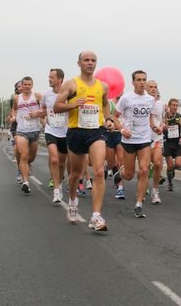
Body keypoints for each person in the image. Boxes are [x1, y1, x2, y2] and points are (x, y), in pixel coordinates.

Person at [54, 50, 113, 231]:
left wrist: (108, 119)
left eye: (93, 60)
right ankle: (72, 201)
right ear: (79, 63)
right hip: (76, 131)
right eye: (86, 60)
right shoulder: (71, 84)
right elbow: (56, 106)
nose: (90, 63)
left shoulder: (103, 86)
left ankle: (96, 216)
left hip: (96, 131)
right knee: (75, 174)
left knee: (98, 171)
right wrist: (73, 104)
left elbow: (104, 104)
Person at [113, 70, 155, 218]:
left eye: (144, 79)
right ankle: (120, 173)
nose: (142, 82)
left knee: (144, 170)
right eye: (139, 80)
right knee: (129, 175)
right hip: (129, 139)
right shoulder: (126, 98)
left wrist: (154, 126)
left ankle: (138, 204)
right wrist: (121, 129)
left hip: (144, 139)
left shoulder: (150, 99)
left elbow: (150, 116)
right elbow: (115, 116)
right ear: (133, 82)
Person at [12, 76, 44, 194]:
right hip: (21, 130)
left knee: (32, 157)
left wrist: (37, 114)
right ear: (22, 86)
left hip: (35, 130)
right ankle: (26, 182)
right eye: (24, 84)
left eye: (28, 84)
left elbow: (45, 110)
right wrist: (14, 117)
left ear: (32, 85)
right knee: (24, 155)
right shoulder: (16, 98)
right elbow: (14, 109)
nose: (26, 87)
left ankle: (26, 166)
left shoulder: (38, 96)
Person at [41, 68, 68, 203]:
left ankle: (59, 181)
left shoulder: (68, 94)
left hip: (65, 132)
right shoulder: (46, 95)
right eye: (49, 77)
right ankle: (56, 190)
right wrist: (43, 119)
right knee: (54, 159)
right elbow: (43, 109)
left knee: (62, 163)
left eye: (52, 77)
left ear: (60, 79)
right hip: (50, 130)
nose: (49, 79)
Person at [146, 80, 166, 204]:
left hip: (158, 138)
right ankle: (142, 187)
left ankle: (155, 190)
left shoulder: (161, 104)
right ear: (146, 89)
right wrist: (153, 127)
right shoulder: (143, 102)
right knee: (145, 167)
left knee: (158, 164)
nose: (153, 89)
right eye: (151, 87)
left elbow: (164, 120)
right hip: (145, 138)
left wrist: (162, 126)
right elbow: (149, 118)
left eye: (155, 87)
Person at [163, 98, 181, 191]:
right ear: (169, 106)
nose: (175, 107)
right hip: (167, 143)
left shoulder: (178, 117)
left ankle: (171, 170)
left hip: (176, 144)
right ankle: (170, 184)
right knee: (169, 165)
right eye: (173, 105)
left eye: (176, 105)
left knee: (178, 164)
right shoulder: (165, 116)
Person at [105, 94, 125, 199]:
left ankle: (120, 188)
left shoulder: (125, 102)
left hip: (120, 134)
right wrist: (108, 125)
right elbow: (105, 117)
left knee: (120, 162)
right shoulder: (109, 103)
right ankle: (115, 177)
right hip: (109, 134)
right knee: (112, 163)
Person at [7, 81, 22, 183]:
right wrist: (11, 118)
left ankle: (26, 164)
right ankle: (20, 170)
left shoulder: (32, 98)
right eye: (19, 86)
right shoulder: (14, 99)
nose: (21, 88)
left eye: (22, 85)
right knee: (17, 150)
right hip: (16, 126)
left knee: (26, 153)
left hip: (29, 127)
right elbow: (11, 112)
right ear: (16, 89)